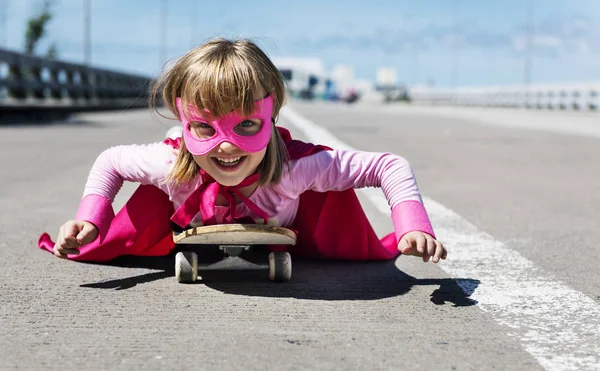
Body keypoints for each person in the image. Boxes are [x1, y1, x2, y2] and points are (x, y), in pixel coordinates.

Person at [38, 38, 447, 264]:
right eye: (204, 127)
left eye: (247, 124)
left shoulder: (296, 169)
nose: (228, 145)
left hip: (284, 241)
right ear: (183, 122)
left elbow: (388, 166)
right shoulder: (169, 163)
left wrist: (412, 223)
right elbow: (111, 161)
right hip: (187, 235)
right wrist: (90, 219)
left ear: (272, 117)